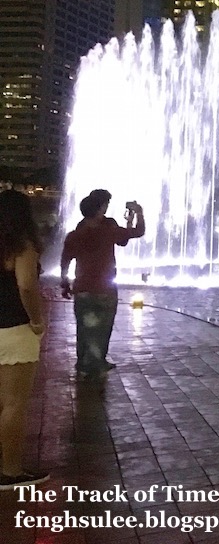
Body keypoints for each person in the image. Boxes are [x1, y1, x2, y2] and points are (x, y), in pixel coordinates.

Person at [60, 190, 144, 381]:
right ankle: (96, 365)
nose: (106, 208)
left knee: (84, 327)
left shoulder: (76, 233)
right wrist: (139, 212)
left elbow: (65, 260)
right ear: (99, 208)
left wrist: (65, 282)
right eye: (105, 205)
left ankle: (84, 363)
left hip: (82, 289)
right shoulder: (108, 231)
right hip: (104, 291)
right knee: (103, 328)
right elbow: (138, 232)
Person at [0, 189, 48, 488]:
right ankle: (11, 471)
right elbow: (27, 286)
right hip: (14, 328)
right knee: (14, 403)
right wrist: (37, 320)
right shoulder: (22, 246)